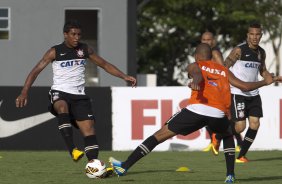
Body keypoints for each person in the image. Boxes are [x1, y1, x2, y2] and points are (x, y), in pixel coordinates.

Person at [109, 43, 277, 183]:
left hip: (197, 110)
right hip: (218, 114)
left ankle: (124, 166)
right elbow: (245, 87)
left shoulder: (195, 64)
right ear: (210, 57)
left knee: (159, 135)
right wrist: (265, 81)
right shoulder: (224, 70)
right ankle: (230, 175)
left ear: (196, 57)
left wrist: (196, 80)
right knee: (227, 135)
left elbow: (196, 73)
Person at [15, 20, 137, 173]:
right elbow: (35, 71)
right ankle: (72, 149)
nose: (76, 38)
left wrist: (124, 76)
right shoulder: (55, 51)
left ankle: (94, 166)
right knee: (62, 107)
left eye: (79, 34)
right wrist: (24, 92)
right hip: (60, 91)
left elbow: (104, 65)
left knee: (89, 129)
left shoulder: (85, 49)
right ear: (65, 35)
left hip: (79, 96)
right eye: (73, 34)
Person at [223, 22, 274, 163]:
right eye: (252, 34)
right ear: (247, 35)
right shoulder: (239, 50)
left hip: (254, 94)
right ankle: (221, 133)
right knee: (240, 127)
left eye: (257, 34)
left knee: (255, 123)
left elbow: (262, 71)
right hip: (238, 92)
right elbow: (224, 68)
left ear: (261, 36)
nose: (254, 37)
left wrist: (271, 77)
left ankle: (241, 156)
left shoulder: (261, 52)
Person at [200, 31, 243, 154]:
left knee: (226, 119)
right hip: (208, 90)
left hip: (218, 90)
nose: (206, 42)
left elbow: (222, 71)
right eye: (204, 40)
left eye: (209, 40)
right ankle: (214, 141)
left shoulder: (215, 52)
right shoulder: (202, 53)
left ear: (213, 41)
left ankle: (237, 143)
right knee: (206, 117)